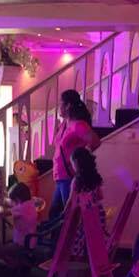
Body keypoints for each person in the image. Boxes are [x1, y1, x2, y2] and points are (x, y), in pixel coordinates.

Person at [50, 90, 100, 221]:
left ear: (68, 106)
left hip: (69, 176)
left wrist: (80, 158)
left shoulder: (78, 125)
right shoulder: (64, 124)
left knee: (68, 216)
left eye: (61, 104)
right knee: (55, 214)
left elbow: (95, 141)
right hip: (60, 177)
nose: (59, 107)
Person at [68, 147, 107, 258]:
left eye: (72, 163)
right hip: (98, 215)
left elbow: (71, 202)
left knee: (75, 235)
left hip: (83, 217)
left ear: (77, 163)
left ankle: (78, 257)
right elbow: (100, 196)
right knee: (95, 240)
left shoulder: (76, 181)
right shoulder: (95, 178)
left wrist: (65, 214)